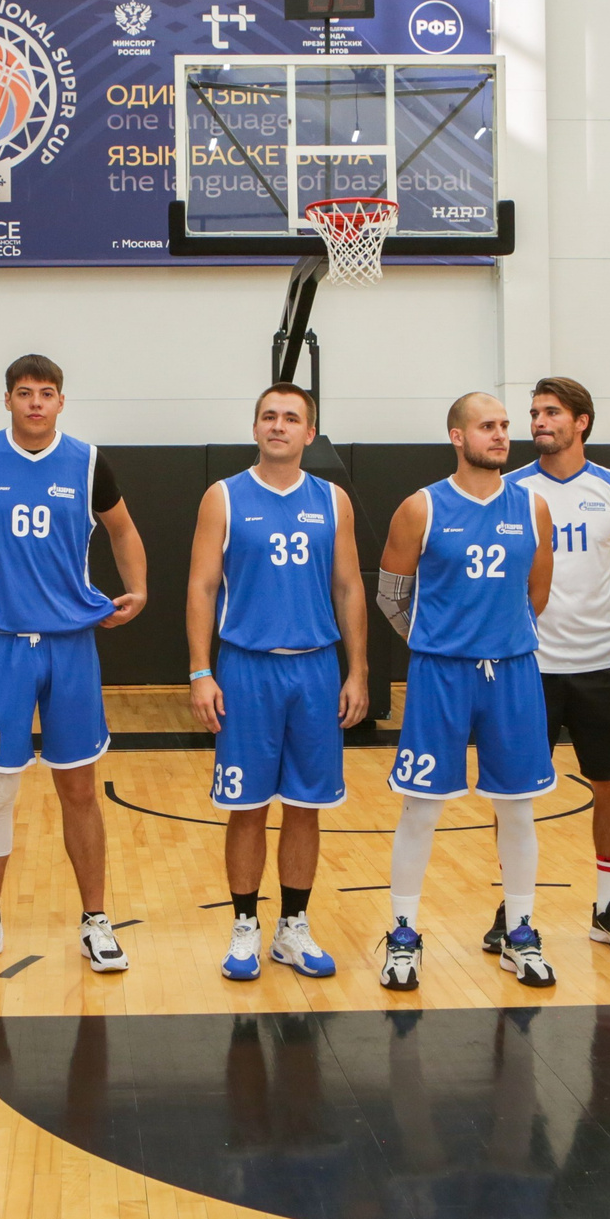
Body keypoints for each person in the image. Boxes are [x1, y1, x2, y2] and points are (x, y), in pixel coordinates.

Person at [0, 353, 148, 974]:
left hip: (72, 646)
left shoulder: (89, 462)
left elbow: (122, 530)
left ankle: (96, 922)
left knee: (79, 788)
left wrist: (140, 588)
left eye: (46, 393)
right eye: (24, 393)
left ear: (61, 402)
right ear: (8, 399)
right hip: (2, 644)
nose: (36, 403)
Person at [183, 382, 368, 981]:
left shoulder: (333, 499)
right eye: (269, 416)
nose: (279, 426)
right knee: (246, 807)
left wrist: (358, 670)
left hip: (315, 668)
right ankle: (244, 927)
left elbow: (348, 588)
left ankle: (292, 928)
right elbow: (202, 588)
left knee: (307, 807)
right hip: (246, 669)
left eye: (292, 418)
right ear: (255, 426)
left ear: (310, 433)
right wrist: (200, 670)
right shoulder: (225, 497)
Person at [372, 392, 555, 992]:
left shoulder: (533, 507)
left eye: (505, 426)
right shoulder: (420, 508)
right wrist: (437, 640)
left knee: (518, 807)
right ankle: (402, 935)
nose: (501, 435)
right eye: (487, 426)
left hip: (512, 673)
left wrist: (495, 636)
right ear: (457, 436)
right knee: (421, 807)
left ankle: (520, 934)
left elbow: (537, 597)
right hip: (439, 675)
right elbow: (391, 596)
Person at [496, 377, 610, 959]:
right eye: (533, 413)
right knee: (515, 793)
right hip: (527, 667)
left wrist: (591, 615)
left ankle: (607, 906)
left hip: (602, 664)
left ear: (581, 421)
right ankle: (514, 911)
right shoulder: (509, 489)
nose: (537, 422)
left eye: (551, 412)